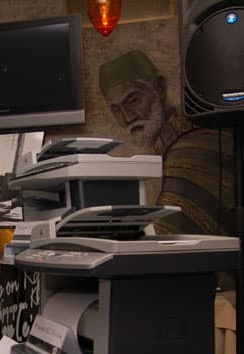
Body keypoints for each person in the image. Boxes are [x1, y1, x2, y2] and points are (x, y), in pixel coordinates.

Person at [99, 49, 234, 238]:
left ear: (160, 88)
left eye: (134, 100)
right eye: (116, 109)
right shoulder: (168, 146)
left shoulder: (189, 149)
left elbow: (168, 241)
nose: (128, 117)